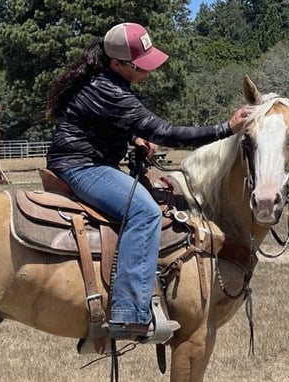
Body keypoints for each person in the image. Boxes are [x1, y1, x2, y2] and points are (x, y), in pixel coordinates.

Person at [46, 22, 250, 342]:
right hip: (82, 166)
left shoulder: (103, 80)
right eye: (141, 65)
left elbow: (99, 122)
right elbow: (166, 132)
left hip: (81, 160)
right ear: (117, 64)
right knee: (145, 212)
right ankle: (128, 313)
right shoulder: (112, 91)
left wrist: (134, 137)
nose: (148, 70)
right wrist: (226, 128)